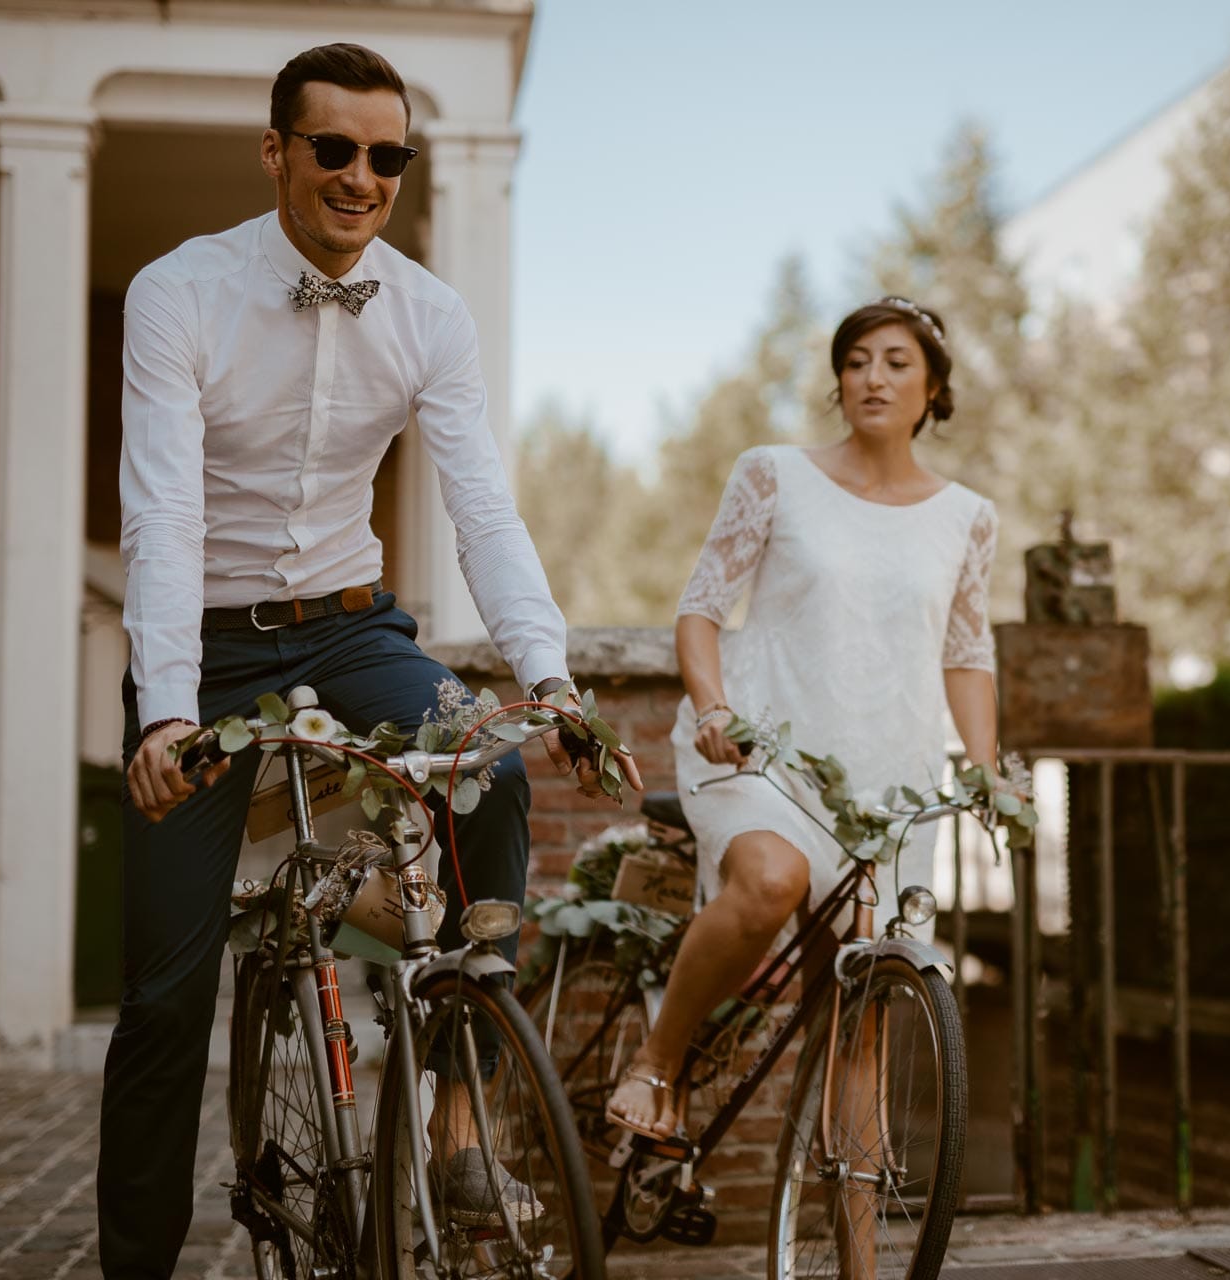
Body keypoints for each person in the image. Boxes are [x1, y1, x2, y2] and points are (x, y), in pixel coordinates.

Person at [97, 43, 638, 1279]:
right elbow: (161, 518)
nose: (360, 176)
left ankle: (455, 1114)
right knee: (165, 998)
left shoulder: (430, 312)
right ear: (276, 150)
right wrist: (167, 708)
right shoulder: (178, 291)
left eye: (385, 155)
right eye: (332, 148)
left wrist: (546, 676)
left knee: (488, 770)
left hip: (350, 625)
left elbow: (482, 511)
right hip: (212, 651)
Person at [606, 295, 999, 1141]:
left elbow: (967, 654)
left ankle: (855, 1258)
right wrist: (713, 707)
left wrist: (987, 768)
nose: (872, 377)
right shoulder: (773, 473)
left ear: (934, 389)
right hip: (763, 754)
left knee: (859, 1023)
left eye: (896, 362)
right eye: (856, 360)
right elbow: (700, 609)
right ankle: (659, 1062)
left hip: (887, 787)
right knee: (771, 882)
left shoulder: (967, 518)